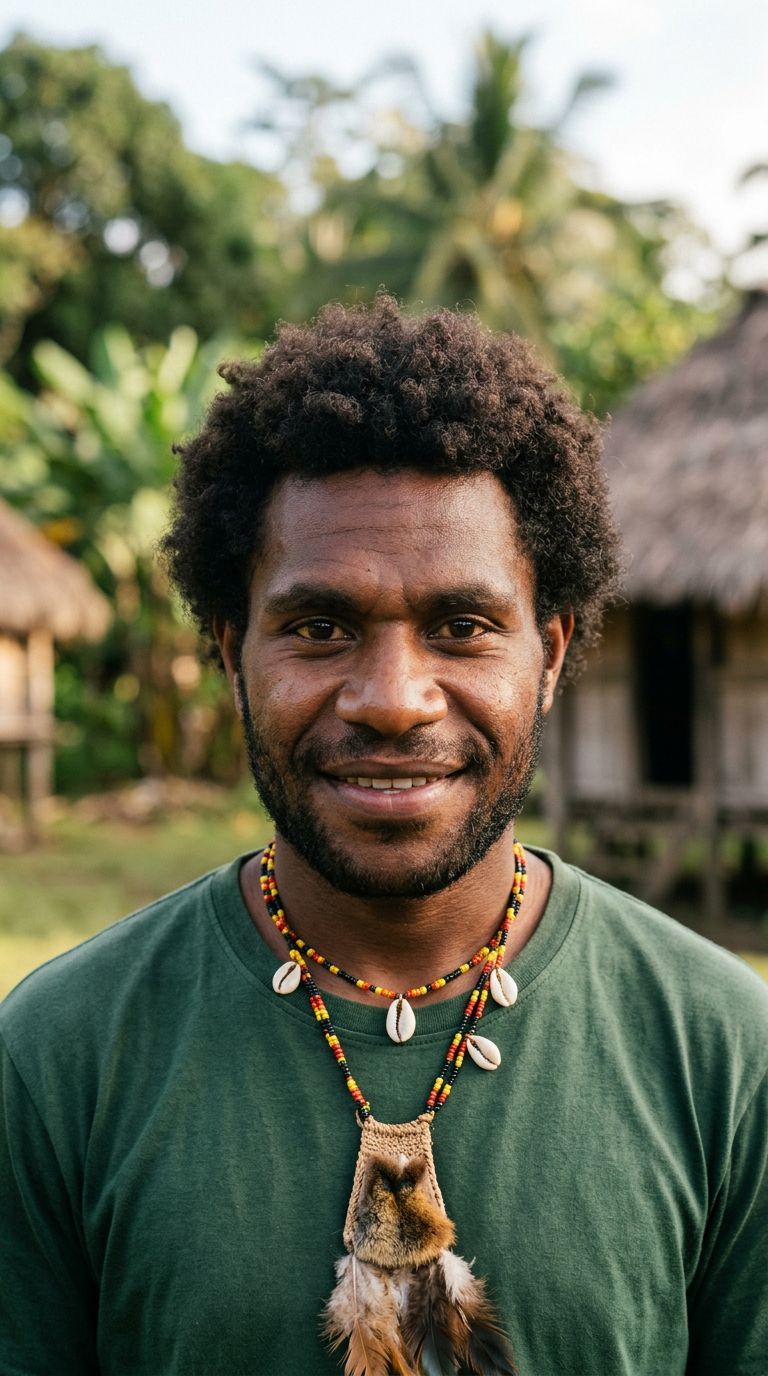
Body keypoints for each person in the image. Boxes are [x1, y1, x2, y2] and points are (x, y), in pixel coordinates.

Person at [1, 297, 766, 1376]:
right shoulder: (57, 1059)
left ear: (549, 653)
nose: (395, 698)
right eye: (320, 626)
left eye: (460, 625)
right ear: (232, 649)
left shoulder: (728, 1053)